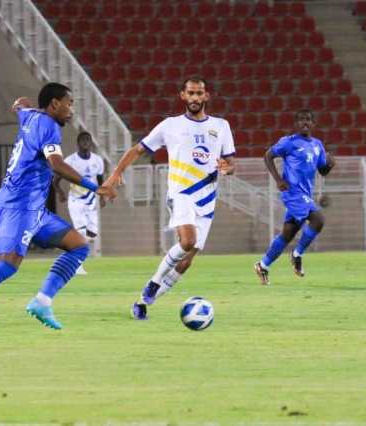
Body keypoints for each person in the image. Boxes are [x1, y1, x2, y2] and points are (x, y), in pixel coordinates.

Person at [0, 83, 117, 338]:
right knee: (8, 265)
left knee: (78, 246)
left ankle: (42, 302)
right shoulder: (49, 128)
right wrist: (95, 187)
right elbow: (56, 165)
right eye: (69, 103)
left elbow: (19, 104)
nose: (72, 110)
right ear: (54, 104)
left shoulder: (30, 115)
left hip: (33, 208)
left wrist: (22, 106)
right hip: (18, 205)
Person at [105, 76, 236, 320]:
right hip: (181, 193)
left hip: (207, 198)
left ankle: (143, 302)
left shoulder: (221, 126)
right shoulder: (170, 125)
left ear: (206, 96)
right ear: (183, 96)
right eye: (191, 93)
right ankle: (153, 283)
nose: (195, 98)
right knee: (187, 241)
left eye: (199, 93)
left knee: (186, 261)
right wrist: (116, 173)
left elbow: (230, 163)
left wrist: (227, 168)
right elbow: (138, 149)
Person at [254, 109, 335, 285]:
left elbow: (322, 170)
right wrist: (278, 180)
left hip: (306, 194)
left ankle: (262, 265)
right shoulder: (289, 142)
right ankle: (297, 254)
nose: (305, 122)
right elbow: (268, 155)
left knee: (288, 233)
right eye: (301, 120)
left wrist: (329, 165)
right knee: (318, 219)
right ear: (296, 124)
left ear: (314, 124)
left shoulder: (317, 145)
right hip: (292, 192)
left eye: (308, 119)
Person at [54, 131, 106, 275]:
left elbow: (101, 181)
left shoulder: (98, 160)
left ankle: (71, 248)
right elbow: (56, 180)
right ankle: (77, 265)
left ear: (91, 143)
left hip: (91, 201)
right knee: (81, 231)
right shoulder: (70, 161)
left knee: (93, 233)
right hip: (75, 200)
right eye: (82, 140)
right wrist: (61, 193)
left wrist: (102, 196)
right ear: (77, 144)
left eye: (88, 140)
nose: (85, 143)